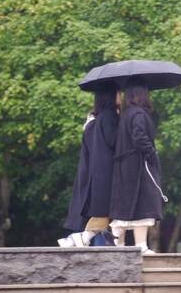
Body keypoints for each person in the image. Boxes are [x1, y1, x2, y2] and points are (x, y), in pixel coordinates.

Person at [110, 77, 167, 254]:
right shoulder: (139, 114)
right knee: (144, 204)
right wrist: (151, 153)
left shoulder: (126, 114)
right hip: (138, 165)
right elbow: (139, 137)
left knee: (126, 206)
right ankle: (141, 245)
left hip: (124, 165)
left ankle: (118, 246)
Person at [58, 89, 120, 247]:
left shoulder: (93, 121)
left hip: (93, 175)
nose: (121, 96)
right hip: (107, 174)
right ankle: (81, 237)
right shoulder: (109, 117)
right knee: (108, 213)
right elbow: (115, 143)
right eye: (118, 93)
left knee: (105, 215)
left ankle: (83, 239)